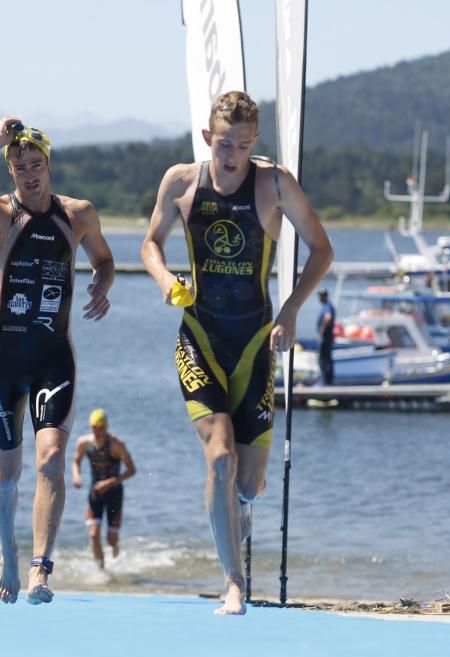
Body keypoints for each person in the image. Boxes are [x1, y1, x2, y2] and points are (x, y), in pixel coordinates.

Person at [141, 91, 333, 614]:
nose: (232, 156)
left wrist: (291, 309)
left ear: (255, 144)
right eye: (225, 144)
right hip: (199, 338)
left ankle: (240, 509)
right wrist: (163, 276)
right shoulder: (181, 182)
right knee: (220, 459)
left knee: (249, 481)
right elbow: (150, 243)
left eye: (244, 146)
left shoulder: (274, 184)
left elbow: (322, 248)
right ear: (208, 138)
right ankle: (233, 582)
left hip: (254, 345)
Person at [0, 117, 115, 605]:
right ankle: (8, 552)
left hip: (53, 358)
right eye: (19, 167)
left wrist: (104, 283)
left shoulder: (78, 214)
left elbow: (104, 259)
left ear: (49, 164)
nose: (30, 174)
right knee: (8, 477)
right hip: (2, 364)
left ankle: (42, 568)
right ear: (11, 171)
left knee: (53, 457)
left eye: (36, 164)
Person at [71, 409, 136, 569]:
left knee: (111, 538)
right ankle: (101, 571)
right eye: (94, 427)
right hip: (95, 494)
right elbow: (76, 461)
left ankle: (116, 561)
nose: (98, 431)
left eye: (101, 427)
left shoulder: (116, 444)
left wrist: (109, 482)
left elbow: (131, 470)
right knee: (93, 535)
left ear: (106, 427)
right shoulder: (84, 443)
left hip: (114, 494)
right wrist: (76, 477)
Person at [317, 288, 336, 385]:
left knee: (324, 360)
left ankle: (326, 382)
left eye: (322, 295)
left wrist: (322, 328)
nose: (320, 297)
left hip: (326, 337)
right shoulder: (326, 306)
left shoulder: (328, 306)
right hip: (327, 338)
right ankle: (327, 381)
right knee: (326, 359)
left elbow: (328, 317)